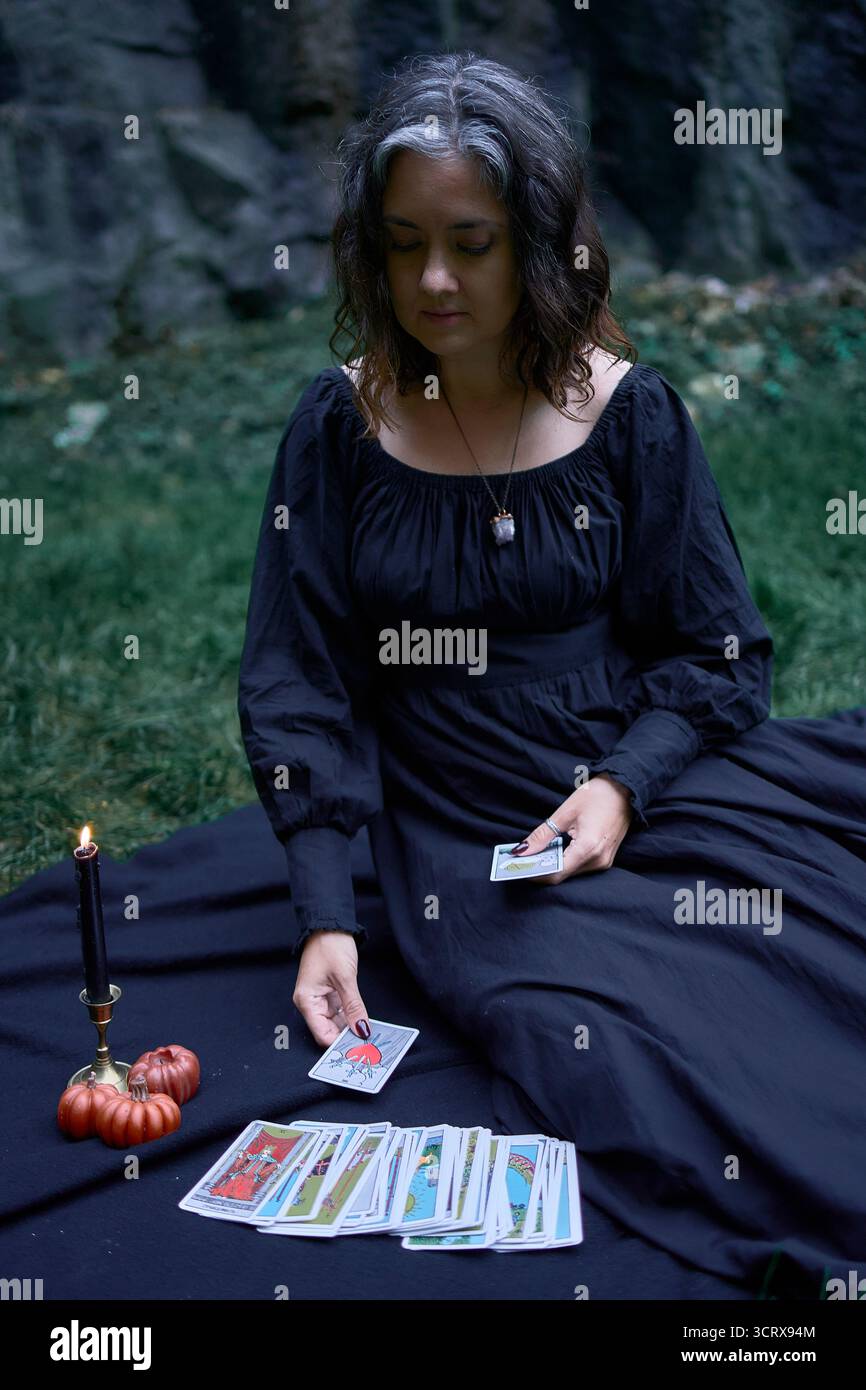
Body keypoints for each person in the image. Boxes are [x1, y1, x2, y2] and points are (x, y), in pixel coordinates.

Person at [237, 52, 866, 1288]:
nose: (431, 278)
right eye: (404, 240)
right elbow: (298, 679)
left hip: (633, 770)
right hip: (461, 816)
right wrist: (325, 909)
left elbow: (718, 652)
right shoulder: (339, 425)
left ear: (538, 240)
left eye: (470, 243)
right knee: (615, 1044)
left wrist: (624, 784)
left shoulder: (629, 416)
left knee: (789, 964)